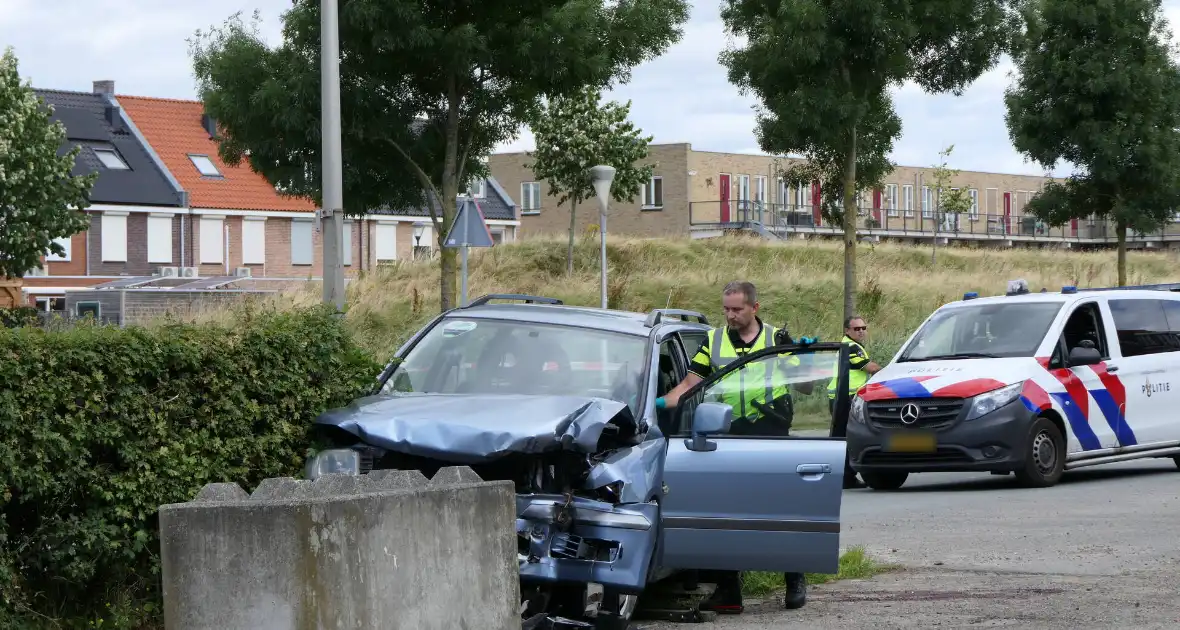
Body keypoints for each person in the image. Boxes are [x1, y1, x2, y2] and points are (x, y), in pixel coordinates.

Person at [656, 280, 811, 614]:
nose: (730, 315)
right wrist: (654, 404)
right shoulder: (712, 340)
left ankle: (794, 579)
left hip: (771, 431)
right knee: (725, 511)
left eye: (737, 309)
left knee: (779, 509)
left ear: (754, 308)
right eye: (726, 308)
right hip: (727, 433)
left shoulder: (774, 338)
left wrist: (795, 352)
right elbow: (688, 385)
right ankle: (728, 591)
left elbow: (809, 387)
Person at [827, 315, 881, 489]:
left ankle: (844, 476)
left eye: (863, 328)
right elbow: (870, 368)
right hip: (845, 396)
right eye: (857, 329)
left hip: (843, 396)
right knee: (847, 437)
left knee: (843, 437)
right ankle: (845, 477)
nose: (861, 332)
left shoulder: (848, 345)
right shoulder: (851, 347)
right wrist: (890, 373)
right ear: (847, 331)